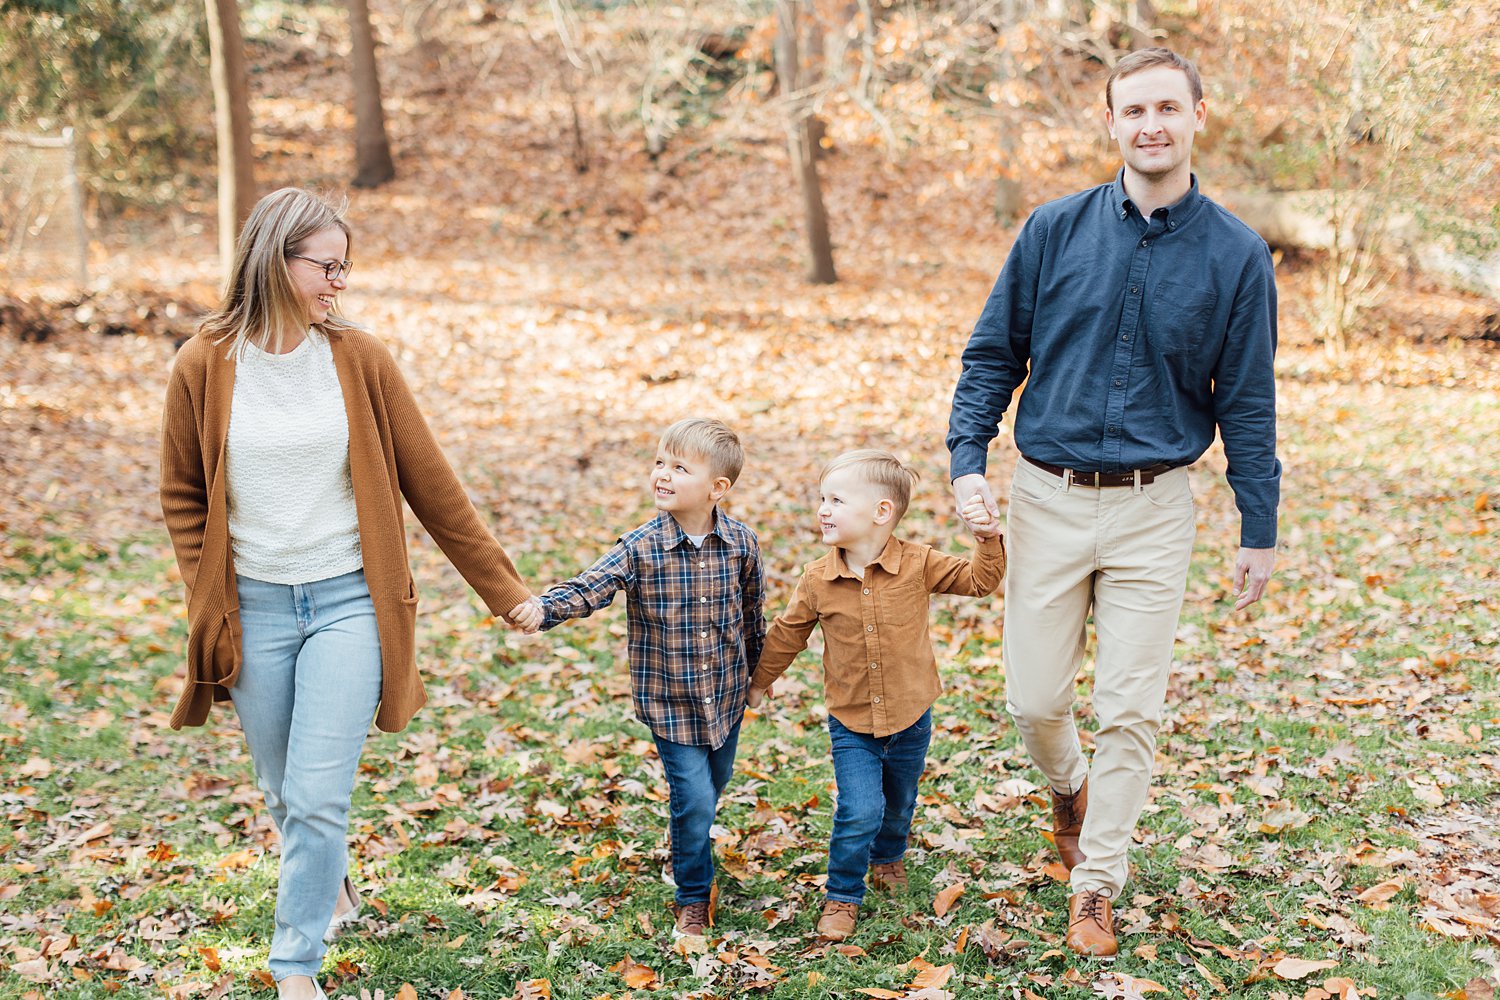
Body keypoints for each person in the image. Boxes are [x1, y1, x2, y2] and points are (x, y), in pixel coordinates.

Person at [159, 187, 537, 1000]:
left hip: (347, 604)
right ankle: (328, 880)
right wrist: (208, 592)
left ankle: (295, 967)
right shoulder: (203, 364)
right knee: (281, 786)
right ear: (275, 261)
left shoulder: (359, 361)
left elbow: (433, 487)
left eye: (344, 267)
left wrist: (503, 592)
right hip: (253, 607)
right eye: (326, 266)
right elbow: (182, 493)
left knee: (317, 791)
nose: (339, 283)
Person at [946, 48, 1280, 957]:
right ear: (1112, 124)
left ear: (1198, 116)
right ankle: (1068, 788)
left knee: (1131, 707)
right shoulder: (1052, 230)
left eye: (1168, 108)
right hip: (1045, 501)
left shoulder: (1239, 256)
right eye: (1133, 111)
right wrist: (966, 458)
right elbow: (991, 356)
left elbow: (1247, 399)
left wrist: (1260, 524)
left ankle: (1097, 881)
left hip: (1154, 508)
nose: (1151, 126)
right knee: (1034, 699)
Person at [510, 418, 765, 939]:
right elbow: (591, 586)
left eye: (679, 467)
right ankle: (693, 895)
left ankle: (685, 846)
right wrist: (543, 609)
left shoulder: (741, 544)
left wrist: (759, 676)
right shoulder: (640, 546)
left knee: (713, 788)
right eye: (659, 463)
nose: (662, 475)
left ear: (718, 488)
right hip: (670, 703)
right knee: (693, 799)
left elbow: (753, 613)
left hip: (727, 698)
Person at [746, 450, 1004, 941]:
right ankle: (843, 894)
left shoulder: (918, 564)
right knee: (859, 808)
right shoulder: (817, 580)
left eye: (837, 500)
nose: (822, 508)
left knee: (899, 800)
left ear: (881, 512)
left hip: (911, 713)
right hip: (852, 722)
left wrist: (987, 539)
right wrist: (760, 681)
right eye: (822, 498)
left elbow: (980, 580)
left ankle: (888, 855)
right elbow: (786, 633)